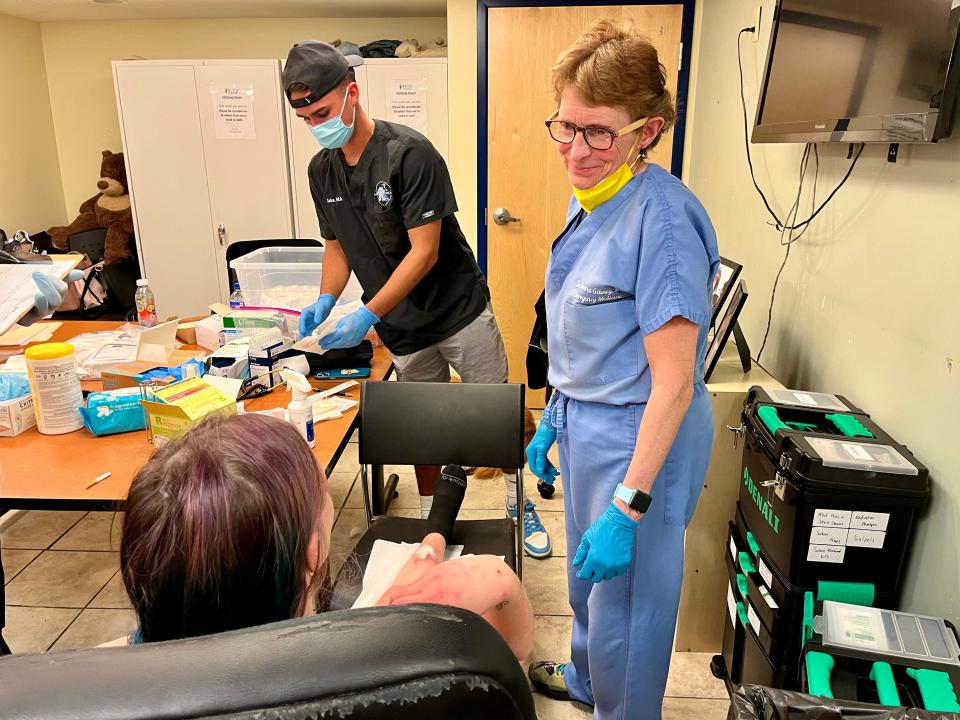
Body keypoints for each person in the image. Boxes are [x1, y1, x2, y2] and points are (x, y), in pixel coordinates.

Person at [281, 40, 551, 558]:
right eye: (306, 119)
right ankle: (436, 519)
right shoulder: (322, 172)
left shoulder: (409, 153)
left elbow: (424, 253)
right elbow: (336, 247)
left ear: (352, 94)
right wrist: (325, 298)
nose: (317, 125)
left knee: (498, 412)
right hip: (402, 327)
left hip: (457, 311)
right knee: (427, 429)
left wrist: (366, 312)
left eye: (322, 112)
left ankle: (523, 505)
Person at [524, 21, 720, 720]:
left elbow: (674, 383)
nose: (577, 149)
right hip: (590, 423)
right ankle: (584, 682)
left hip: (643, 438)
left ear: (649, 130)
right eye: (566, 127)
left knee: (628, 608)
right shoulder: (599, 198)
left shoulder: (661, 225)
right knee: (587, 587)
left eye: (599, 133)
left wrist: (628, 506)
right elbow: (591, 335)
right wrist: (553, 415)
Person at [119, 413, 534, 662]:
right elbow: (510, 663)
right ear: (312, 556)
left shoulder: (106, 674)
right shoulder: (370, 673)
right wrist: (498, 577)